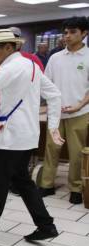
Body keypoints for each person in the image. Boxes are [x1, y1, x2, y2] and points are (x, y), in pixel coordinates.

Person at [0, 30, 62, 241]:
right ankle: (46, 225)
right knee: (22, 180)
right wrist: (52, 126)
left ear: (9, 47)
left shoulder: (11, 67)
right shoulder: (31, 65)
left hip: (11, 137)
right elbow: (54, 94)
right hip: (27, 135)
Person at [0, 28, 45, 194]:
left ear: (11, 46)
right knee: (15, 176)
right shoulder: (26, 63)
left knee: (4, 173)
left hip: (13, 128)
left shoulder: (18, 64)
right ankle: (44, 220)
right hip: (13, 123)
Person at [38, 16, 89, 205]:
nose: (67, 36)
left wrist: (80, 105)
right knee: (51, 149)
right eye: (65, 32)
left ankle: (75, 188)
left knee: (76, 153)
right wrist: (48, 104)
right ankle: (46, 184)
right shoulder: (55, 57)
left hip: (79, 112)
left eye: (73, 32)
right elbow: (46, 83)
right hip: (55, 112)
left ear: (84, 33)